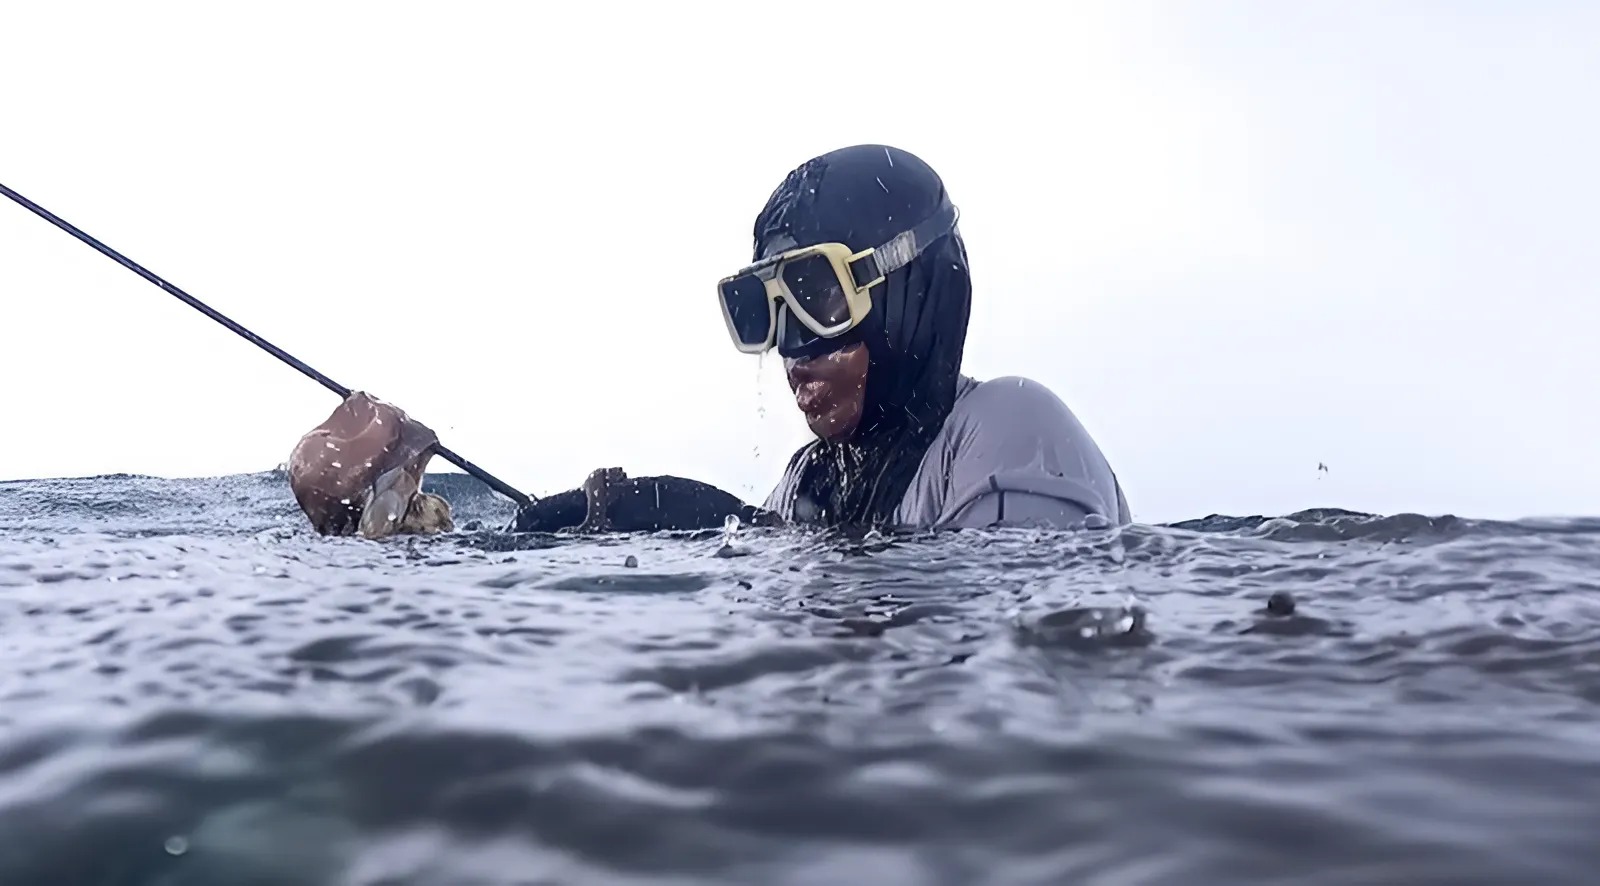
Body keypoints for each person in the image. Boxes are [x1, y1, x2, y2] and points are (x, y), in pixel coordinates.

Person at [286, 144, 1128, 536]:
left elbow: (1003, 644)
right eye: (764, 312)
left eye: (816, 299)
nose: (792, 350)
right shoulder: (811, 481)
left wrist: (733, 526)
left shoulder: (1010, 425)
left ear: (913, 293)